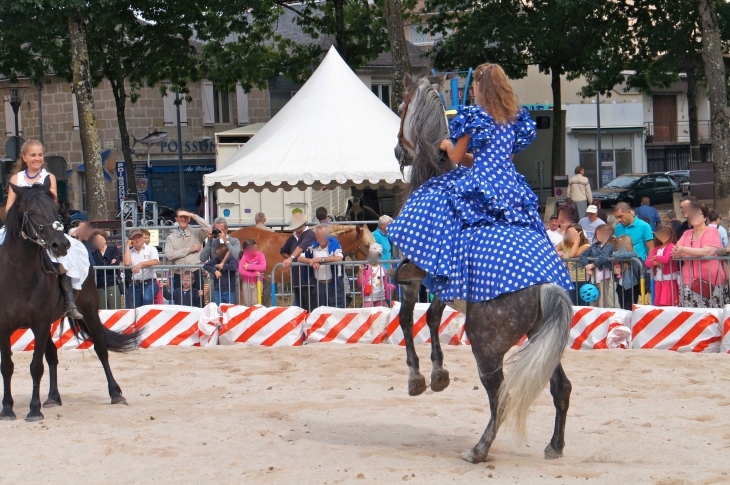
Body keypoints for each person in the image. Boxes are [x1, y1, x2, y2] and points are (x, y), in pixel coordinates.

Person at [387, 62, 573, 302]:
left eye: (474, 84)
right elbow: (503, 158)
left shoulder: (475, 117)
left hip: (482, 182)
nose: (473, 90)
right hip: (510, 185)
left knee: (433, 199)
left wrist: (446, 146)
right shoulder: (513, 120)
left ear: (481, 86)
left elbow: (454, 156)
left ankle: (427, 266)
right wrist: (471, 159)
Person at [1, 140, 88, 319]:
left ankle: (69, 301)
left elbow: (52, 205)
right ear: (24, 157)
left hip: (44, 226)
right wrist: (16, 221)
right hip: (20, 226)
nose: (37, 158)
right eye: (33, 155)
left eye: (40, 155)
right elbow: (9, 207)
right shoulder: (16, 178)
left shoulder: (49, 178)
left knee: (67, 255)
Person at [672, 201, 727, 308]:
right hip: (688, 281)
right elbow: (675, 251)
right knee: (690, 315)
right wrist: (691, 252)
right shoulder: (687, 233)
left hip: (710, 282)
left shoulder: (711, 231)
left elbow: (707, 251)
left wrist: (684, 251)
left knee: (712, 315)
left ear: (705, 217)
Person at [299, 224, 346, 308]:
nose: (322, 238)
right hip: (319, 285)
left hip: (334, 284)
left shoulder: (334, 244)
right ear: (316, 236)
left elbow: (339, 258)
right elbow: (299, 258)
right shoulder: (313, 247)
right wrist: (311, 261)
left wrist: (320, 259)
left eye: (324, 235)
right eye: (319, 235)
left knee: (336, 310)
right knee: (320, 311)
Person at [165, 209, 210, 293]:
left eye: (186, 217)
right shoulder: (171, 237)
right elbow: (170, 255)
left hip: (195, 272)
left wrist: (193, 215)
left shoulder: (197, 233)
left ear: (189, 219)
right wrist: (189, 250)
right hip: (179, 273)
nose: (183, 219)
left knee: (198, 302)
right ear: (176, 219)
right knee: (180, 303)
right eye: (181, 216)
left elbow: (209, 229)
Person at [280, 213, 316, 312]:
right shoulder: (292, 238)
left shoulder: (310, 234)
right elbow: (283, 251)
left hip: (310, 279)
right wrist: (292, 260)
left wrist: (291, 258)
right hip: (297, 279)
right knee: (301, 309)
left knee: (311, 309)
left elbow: (301, 247)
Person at [579, 224, 616, 308]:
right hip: (593, 275)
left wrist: (592, 265)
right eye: (598, 233)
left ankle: (602, 315)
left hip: (603, 274)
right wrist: (586, 265)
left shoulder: (610, 245)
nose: (599, 235)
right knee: (592, 297)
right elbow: (583, 255)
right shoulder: (594, 245)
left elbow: (604, 256)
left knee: (603, 297)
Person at [123, 227, 160, 308]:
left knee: (147, 300)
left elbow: (155, 261)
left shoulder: (151, 249)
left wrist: (141, 264)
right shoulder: (131, 252)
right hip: (135, 283)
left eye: (139, 237)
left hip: (149, 282)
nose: (137, 240)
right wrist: (127, 246)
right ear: (131, 240)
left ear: (142, 238)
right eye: (134, 238)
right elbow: (127, 263)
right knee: (136, 308)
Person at [645, 224, 679, 307]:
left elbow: (666, 259)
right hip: (658, 277)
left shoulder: (671, 246)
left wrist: (656, 257)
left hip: (668, 277)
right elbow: (647, 262)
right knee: (658, 300)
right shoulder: (657, 248)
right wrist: (656, 262)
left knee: (668, 300)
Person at [557, 223, 591, 305]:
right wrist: (559, 252)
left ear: (579, 233)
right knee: (572, 305)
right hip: (571, 280)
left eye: (572, 232)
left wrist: (576, 240)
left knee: (583, 305)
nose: (570, 235)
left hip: (583, 280)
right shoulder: (565, 243)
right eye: (568, 232)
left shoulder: (586, 245)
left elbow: (572, 255)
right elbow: (553, 250)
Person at [89, 230, 122, 310]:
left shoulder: (113, 249)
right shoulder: (93, 253)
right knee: (102, 309)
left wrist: (103, 267)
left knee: (114, 308)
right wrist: (109, 265)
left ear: (105, 239)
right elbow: (95, 269)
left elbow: (115, 265)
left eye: (100, 238)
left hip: (112, 283)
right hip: (100, 284)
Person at [358, 243, 395, 307]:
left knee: (380, 315)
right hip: (368, 298)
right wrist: (360, 273)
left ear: (380, 256)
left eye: (376, 255)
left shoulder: (382, 269)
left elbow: (385, 284)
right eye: (372, 254)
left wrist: (392, 287)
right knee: (368, 314)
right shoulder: (365, 267)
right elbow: (361, 283)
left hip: (380, 297)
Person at [613, 235, 642, 310]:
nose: (618, 246)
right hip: (620, 287)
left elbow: (620, 255)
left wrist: (613, 254)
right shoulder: (618, 259)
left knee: (630, 310)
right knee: (623, 309)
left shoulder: (633, 256)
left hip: (631, 287)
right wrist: (614, 272)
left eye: (620, 245)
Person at [239, 239, 267, 306]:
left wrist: (249, 266)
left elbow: (263, 267)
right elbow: (241, 270)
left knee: (256, 303)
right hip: (247, 283)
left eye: (255, 248)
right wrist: (253, 274)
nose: (254, 250)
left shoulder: (260, 255)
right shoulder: (245, 256)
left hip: (258, 282)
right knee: (247, 303)